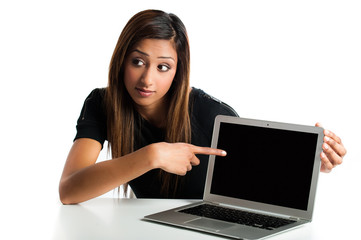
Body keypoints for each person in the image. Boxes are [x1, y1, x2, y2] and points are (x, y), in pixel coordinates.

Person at [59, 9, 347, 205]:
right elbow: (69, 190)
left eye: (163, 67)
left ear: (178, 71)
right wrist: (153, 155)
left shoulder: (211, 114)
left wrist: (307, 167)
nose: (147, 79)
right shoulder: (102, 103)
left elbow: (259, 178)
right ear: (121, 60)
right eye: (137, 62)